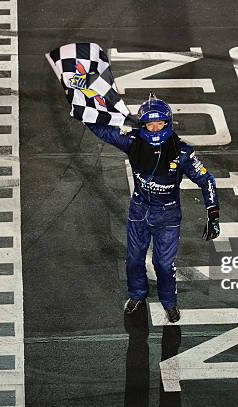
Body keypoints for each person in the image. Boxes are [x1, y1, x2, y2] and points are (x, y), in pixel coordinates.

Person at [86, 93, 220, 323]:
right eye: (150, 123)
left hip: (168, 216)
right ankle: (137, 294)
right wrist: (84, 111)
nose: (156, 128)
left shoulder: (183, 152)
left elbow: (206, 180)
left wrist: (213, 214)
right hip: (139, 210)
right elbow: (103, 131)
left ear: (167, 123)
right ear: (143, 124)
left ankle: (170, 303)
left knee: (164, 264)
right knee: (134, 259)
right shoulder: (132, 142)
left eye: (160, 123)